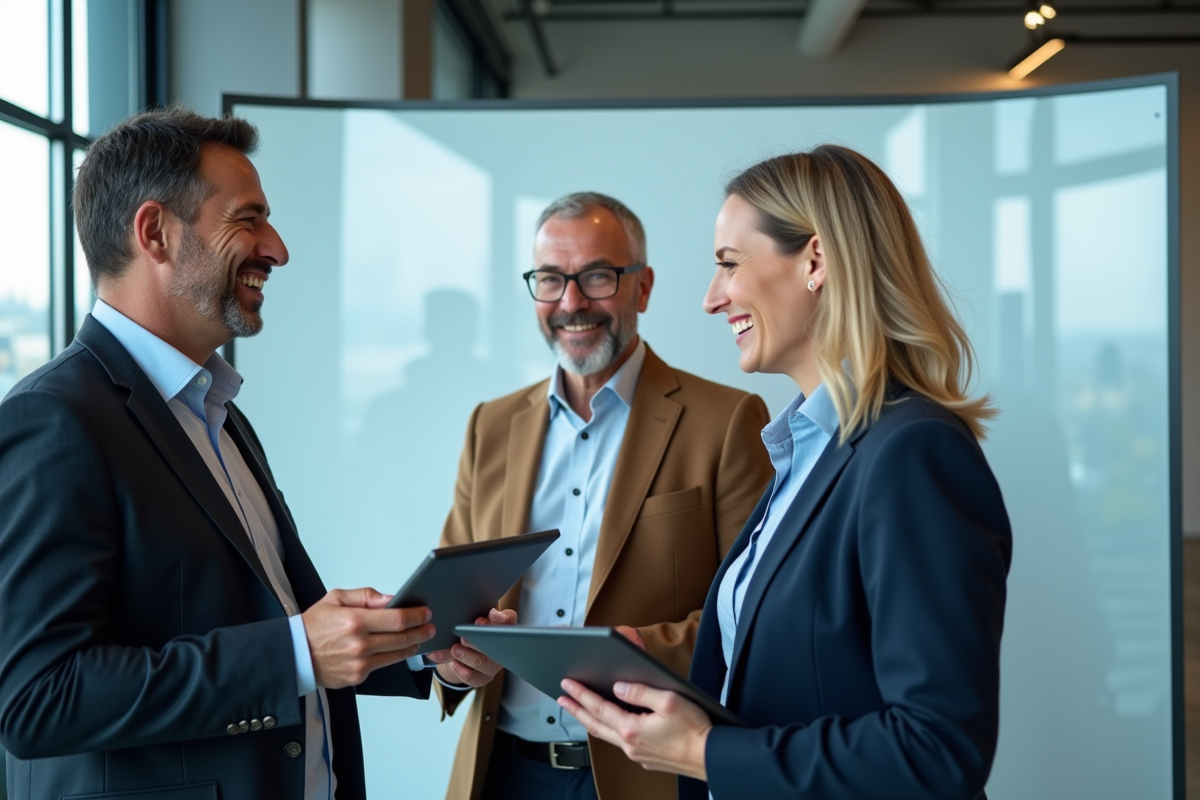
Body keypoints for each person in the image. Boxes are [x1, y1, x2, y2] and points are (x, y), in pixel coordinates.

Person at [0, 108, 507, 800]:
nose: (277, 248)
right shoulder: (54, 419)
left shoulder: (216, 410)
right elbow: (38, 700)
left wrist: (422, 651)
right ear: (155, 233)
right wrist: (296, 652)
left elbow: (254, 621)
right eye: (248, 219)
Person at [557, 147, 1013, 800]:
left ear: (816, 262)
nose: (712, 299)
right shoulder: (807, 453)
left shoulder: (912, 454)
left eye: (728, 265)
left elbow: (937, 750)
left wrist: (704, 752)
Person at [434, 192, 775, 800]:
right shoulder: (490, 425)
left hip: (647, 775)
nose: (571, 303)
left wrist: (634, 653)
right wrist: (453, 662)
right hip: (501, 773)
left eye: (596, 277)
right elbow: (451, 600)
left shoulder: (726, 422)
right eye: (550, 279)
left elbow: (757, 619)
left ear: (642, 288)